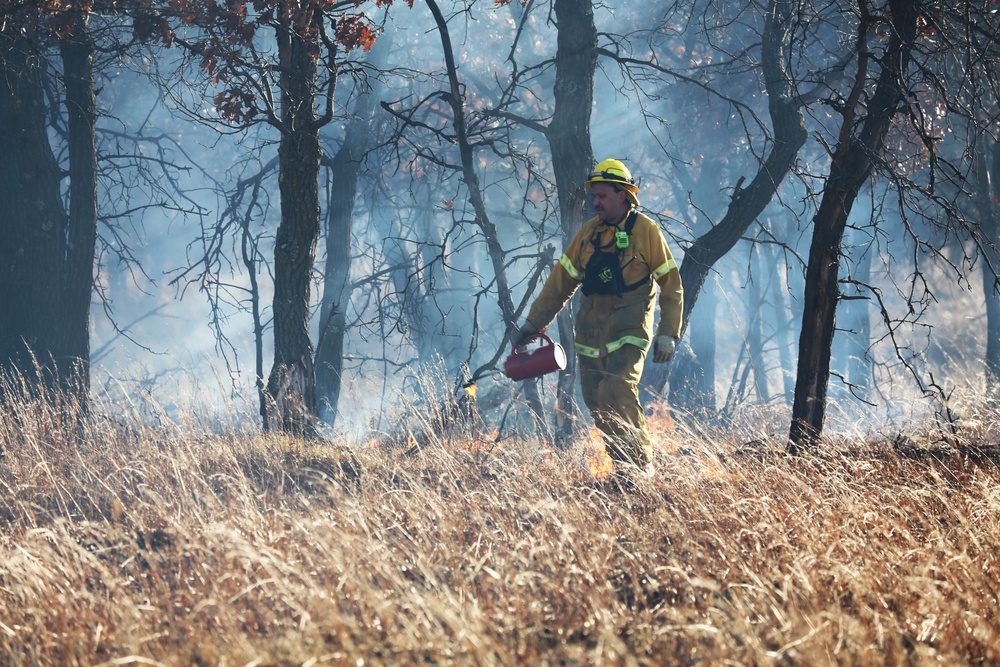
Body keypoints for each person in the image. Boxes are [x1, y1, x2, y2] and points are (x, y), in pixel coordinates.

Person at [516, 158, 683, 473]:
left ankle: (642, 466)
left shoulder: (646, 231)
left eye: (602, 196)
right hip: (591, 336)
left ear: (622, 195)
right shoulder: (588, 234)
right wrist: (531, 325)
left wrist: (668, 332)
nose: (595, 202)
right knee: (596, 402)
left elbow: (671, 284)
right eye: (593, 196)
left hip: (630, 331)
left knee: (617, 388)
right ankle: (623, 468)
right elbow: (559, 284)